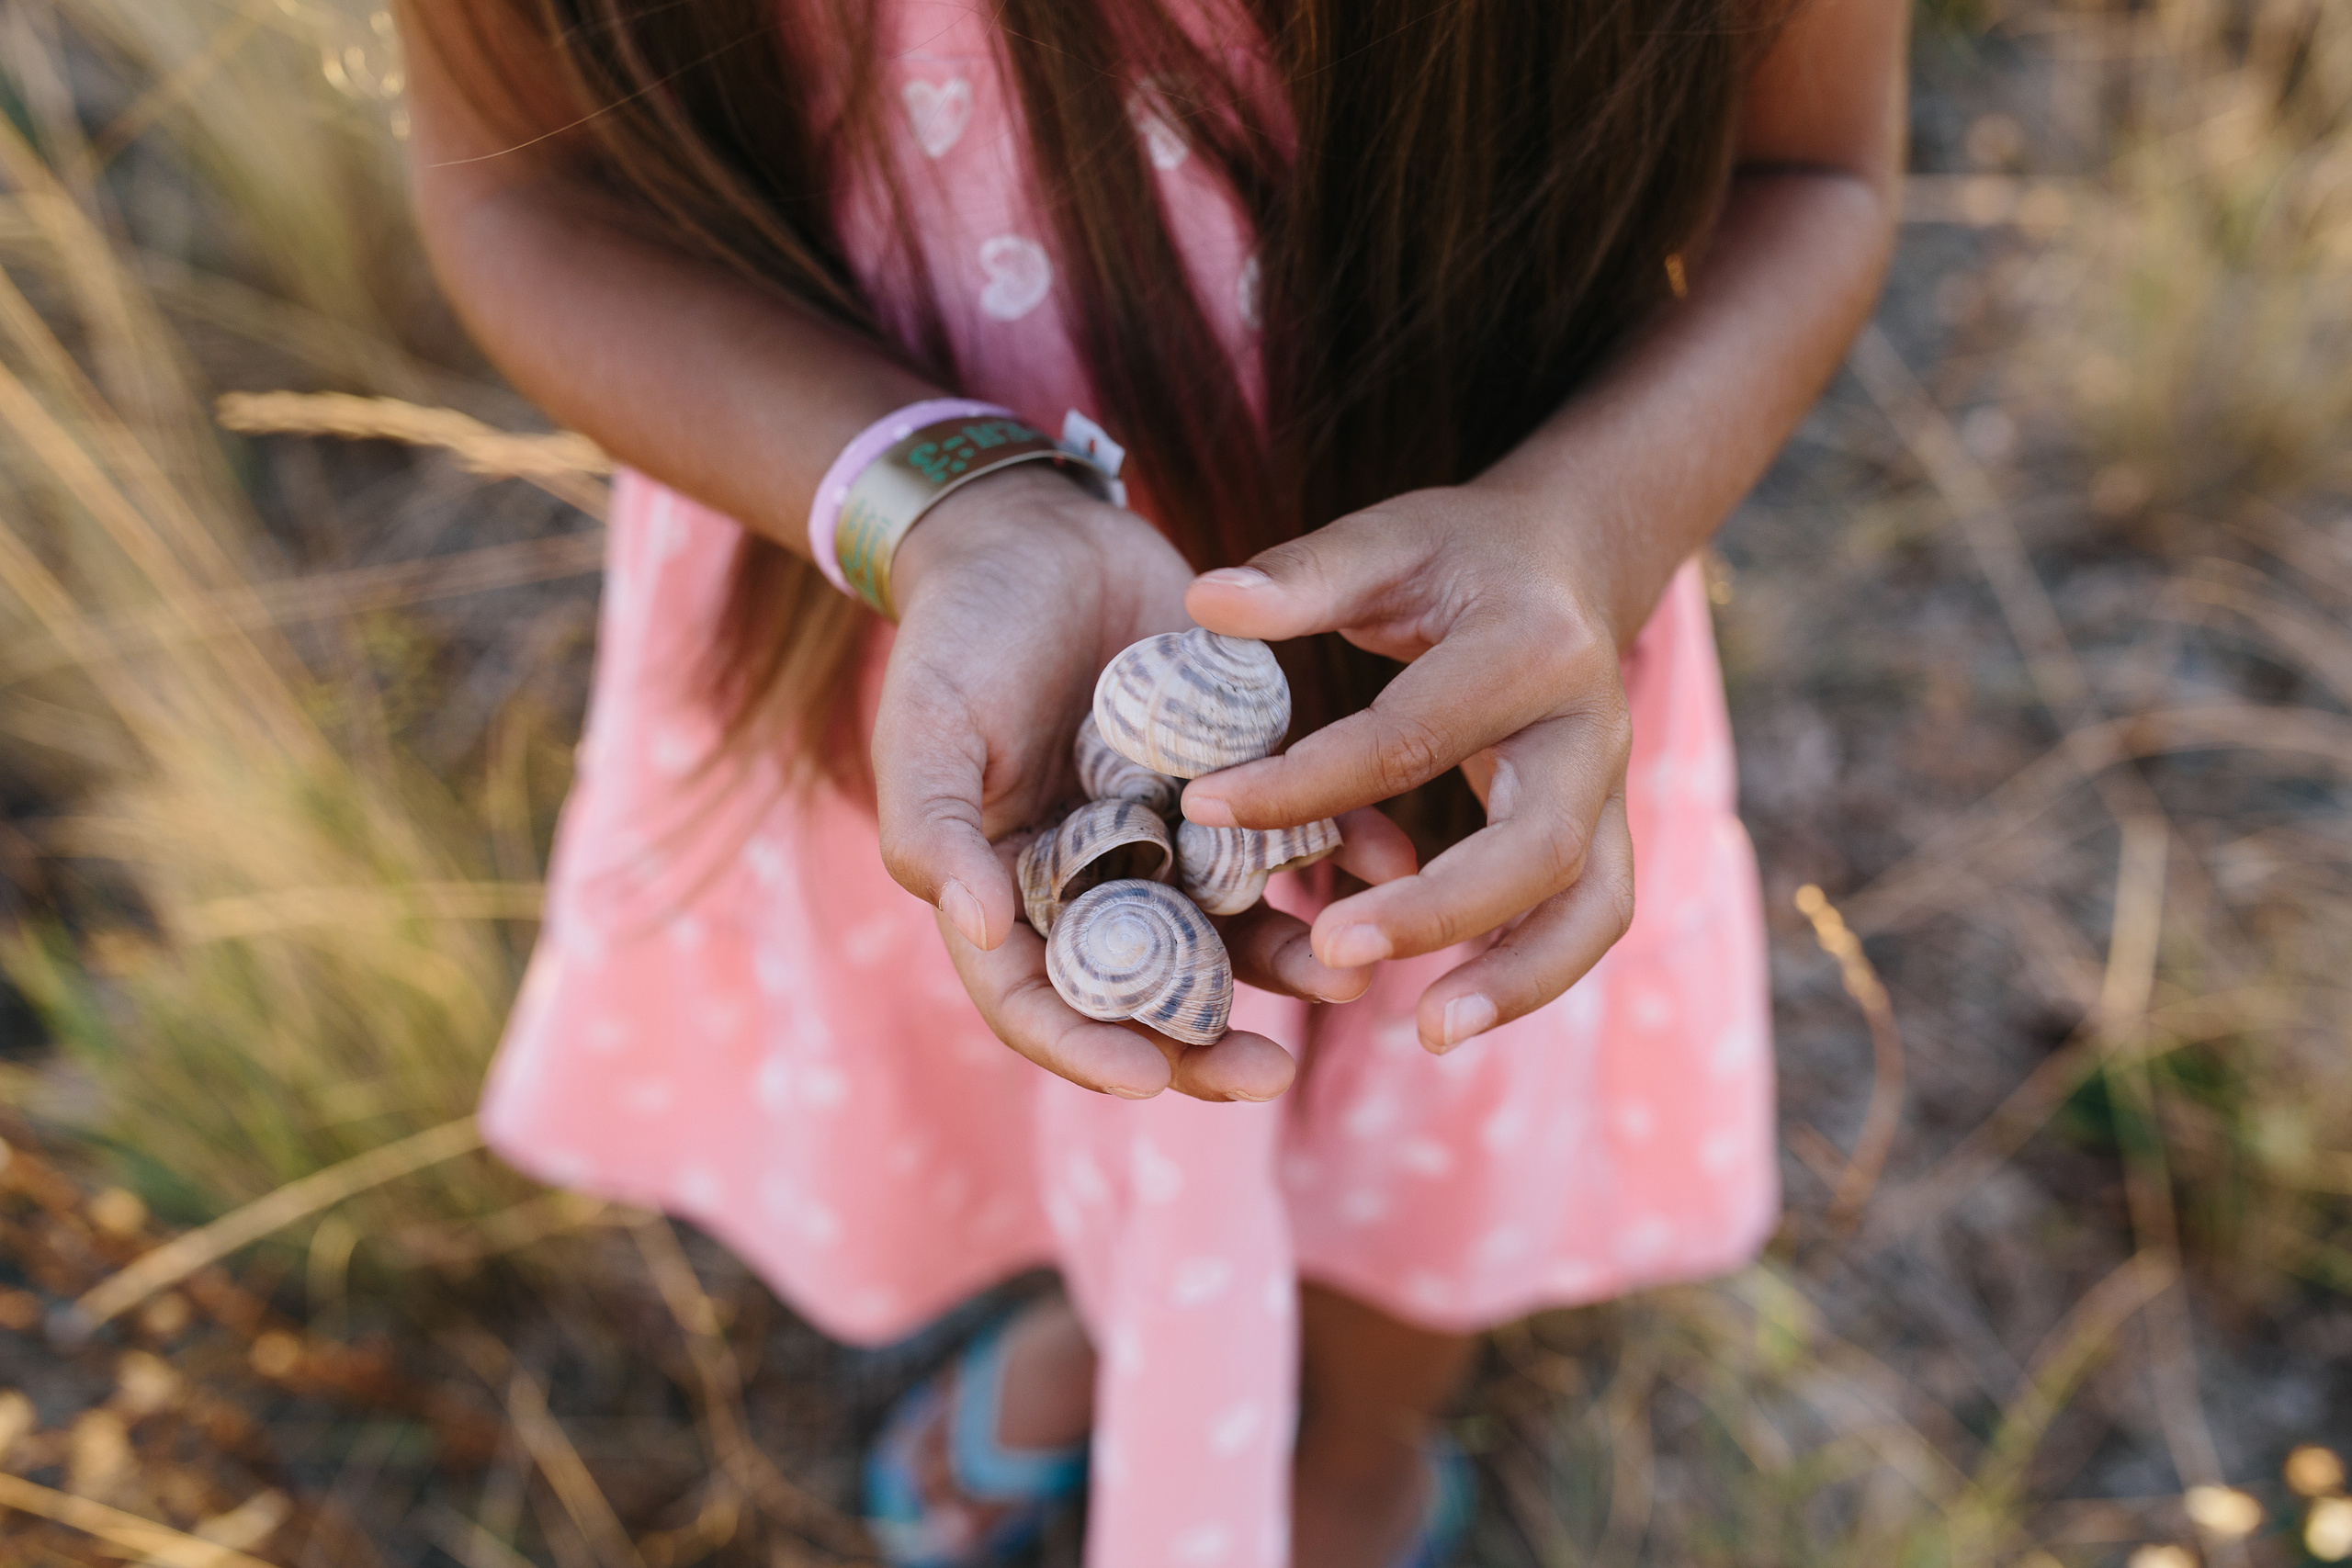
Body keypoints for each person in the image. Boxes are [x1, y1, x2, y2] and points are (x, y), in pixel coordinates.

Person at [396, 0, 1904, 1561]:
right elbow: (515, 186)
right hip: (930, 633)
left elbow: (1817, 172)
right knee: (1066, 1077)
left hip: (1478, 660)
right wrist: (953, 510)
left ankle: (1366, 1441)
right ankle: (1125, 1311)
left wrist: (1590, 529)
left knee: (1420, 1097)